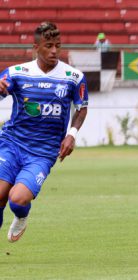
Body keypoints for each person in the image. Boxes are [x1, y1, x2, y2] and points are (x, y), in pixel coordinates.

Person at [0, 22, 88, 242]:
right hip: (12, 144)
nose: (54, 51)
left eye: (58, 45)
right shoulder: (17, 72)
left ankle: (21, 217)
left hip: (43, 151)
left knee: (17, 200)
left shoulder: (73, 77)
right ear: (35, 47)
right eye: (48, 46)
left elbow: (82, 107)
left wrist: (72, 134)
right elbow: (2, 90)